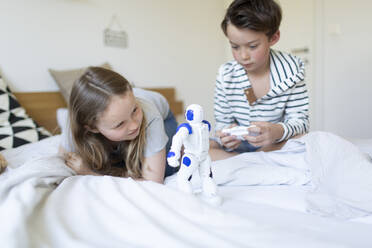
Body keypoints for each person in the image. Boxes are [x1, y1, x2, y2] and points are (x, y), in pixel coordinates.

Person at [210, 0, 309, 160]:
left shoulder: (292, 71)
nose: (243, 56)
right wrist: (227, 135)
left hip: (273, 144)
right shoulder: (226, 75)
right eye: (235, 47)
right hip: (239, 147)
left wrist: (277, 131)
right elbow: (222, 122)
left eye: (253, 46)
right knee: (204, 148)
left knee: (303, 140)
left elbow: (300, 122)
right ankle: (254, 161)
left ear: (273, 37)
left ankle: (250, 162)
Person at [59, 67, 178, 183]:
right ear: (92, 128)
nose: (134, 126)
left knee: (168, 167)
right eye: (120, 124)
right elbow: (62, 161)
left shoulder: (150, 115)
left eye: (134, 110)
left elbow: (153, 183)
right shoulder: (76, 124)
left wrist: (90, 173)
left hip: (164, 117)